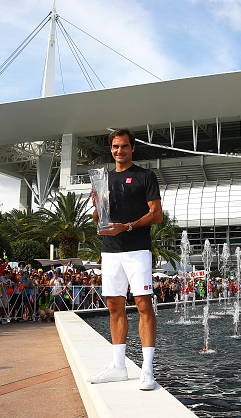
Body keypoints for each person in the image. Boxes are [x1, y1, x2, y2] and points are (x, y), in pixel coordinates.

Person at [86, 128, 163, 391]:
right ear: (111, 150)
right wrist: (99, 207)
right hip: (110, 250)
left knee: (143, 306)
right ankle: (118, 366)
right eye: (115, 147)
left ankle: (147, 370)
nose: (120, 151)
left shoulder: (145, 176)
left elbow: (157, 214)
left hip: (137, 249)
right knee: (114, 307)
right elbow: (98, 218)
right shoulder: (102, 179)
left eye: (124, 146)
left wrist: (128, 226)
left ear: (133, 148)